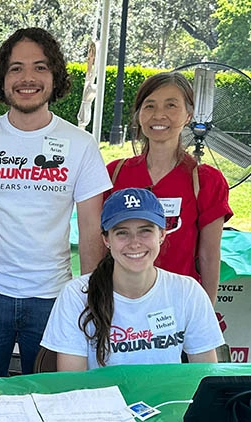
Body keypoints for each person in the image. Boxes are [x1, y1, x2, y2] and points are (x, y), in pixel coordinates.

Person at [0, 27, 112, 377]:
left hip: (55, 297)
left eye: (40, 67)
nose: (27, 78)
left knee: (50, 398)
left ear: (55, 77)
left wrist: (91, 297)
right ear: (2, 79)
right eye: (16, 68)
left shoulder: (80, 145)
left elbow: (91, 227)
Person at [41, 188, 224, 370]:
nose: (135, 243)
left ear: (161, 234)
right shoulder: (76, 295)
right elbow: (73, 383)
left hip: (168, 399)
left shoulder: (188, 291)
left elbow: (205, 373)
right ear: (106, 239)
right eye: (122, 233)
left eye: (145, 231)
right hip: (101, 399)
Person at [106, 72, 232, 305]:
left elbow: (209, 256)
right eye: (149, 106)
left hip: (179, 304)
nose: (159, 115)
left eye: (171, 105)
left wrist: (205, 315)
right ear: (139, 115)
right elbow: (99, 243)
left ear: (188, 115)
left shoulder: (206, 181)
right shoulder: (114, 173)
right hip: (120, 304)